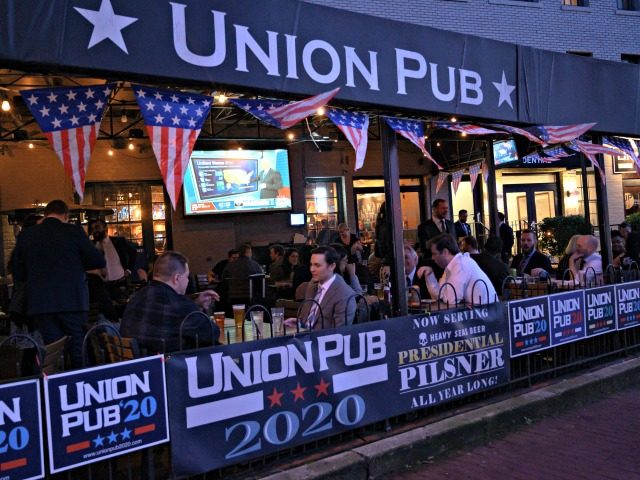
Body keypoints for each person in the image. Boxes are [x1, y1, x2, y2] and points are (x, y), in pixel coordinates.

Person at [13, 200, 106, 367]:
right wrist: (77, 264)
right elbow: (97, 260)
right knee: (77, 347)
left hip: (41, 303)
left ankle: (55, 386)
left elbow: (17, 271)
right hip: (72, 300)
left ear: (46, 214)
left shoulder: (27, 235)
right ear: (65, 215)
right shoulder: (74, 231)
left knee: (53, 350)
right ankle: (79, 384)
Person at [121, 251, 220, 354]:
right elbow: (212, 333)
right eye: (186, 276)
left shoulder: (136, 297)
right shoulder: (179, 304)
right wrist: (197, 308)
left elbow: (169, 316)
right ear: (176, 278)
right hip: (171, 366)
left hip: (140, 365)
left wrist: (195, 303)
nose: (187, 281)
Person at [287, 246, 356, 329]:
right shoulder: (313, 286)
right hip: (304, 337)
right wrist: (299, 324)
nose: (312, 269)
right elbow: (307, 319)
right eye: (311, 264)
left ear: (332, 266)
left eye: (317, 265)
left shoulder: (344, 294)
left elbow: (339, 333)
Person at [418, 234, 497, 305]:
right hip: (477, 315)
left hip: (488, 315)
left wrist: (450, 297)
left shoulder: (461, 264)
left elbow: (450, 300)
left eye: (434, 254)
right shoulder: (452, 266)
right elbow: (438, 296)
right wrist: (430, 275)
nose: (433, 258)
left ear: (445, 252)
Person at [89, 219, 142, 300]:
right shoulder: (90, 246)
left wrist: (128, 270)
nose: (95, 231)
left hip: (119, 282)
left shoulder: (119, 241)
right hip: (100, 285)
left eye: (97, 227)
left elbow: (133, 253)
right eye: (92, 229)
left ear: (105, 228)